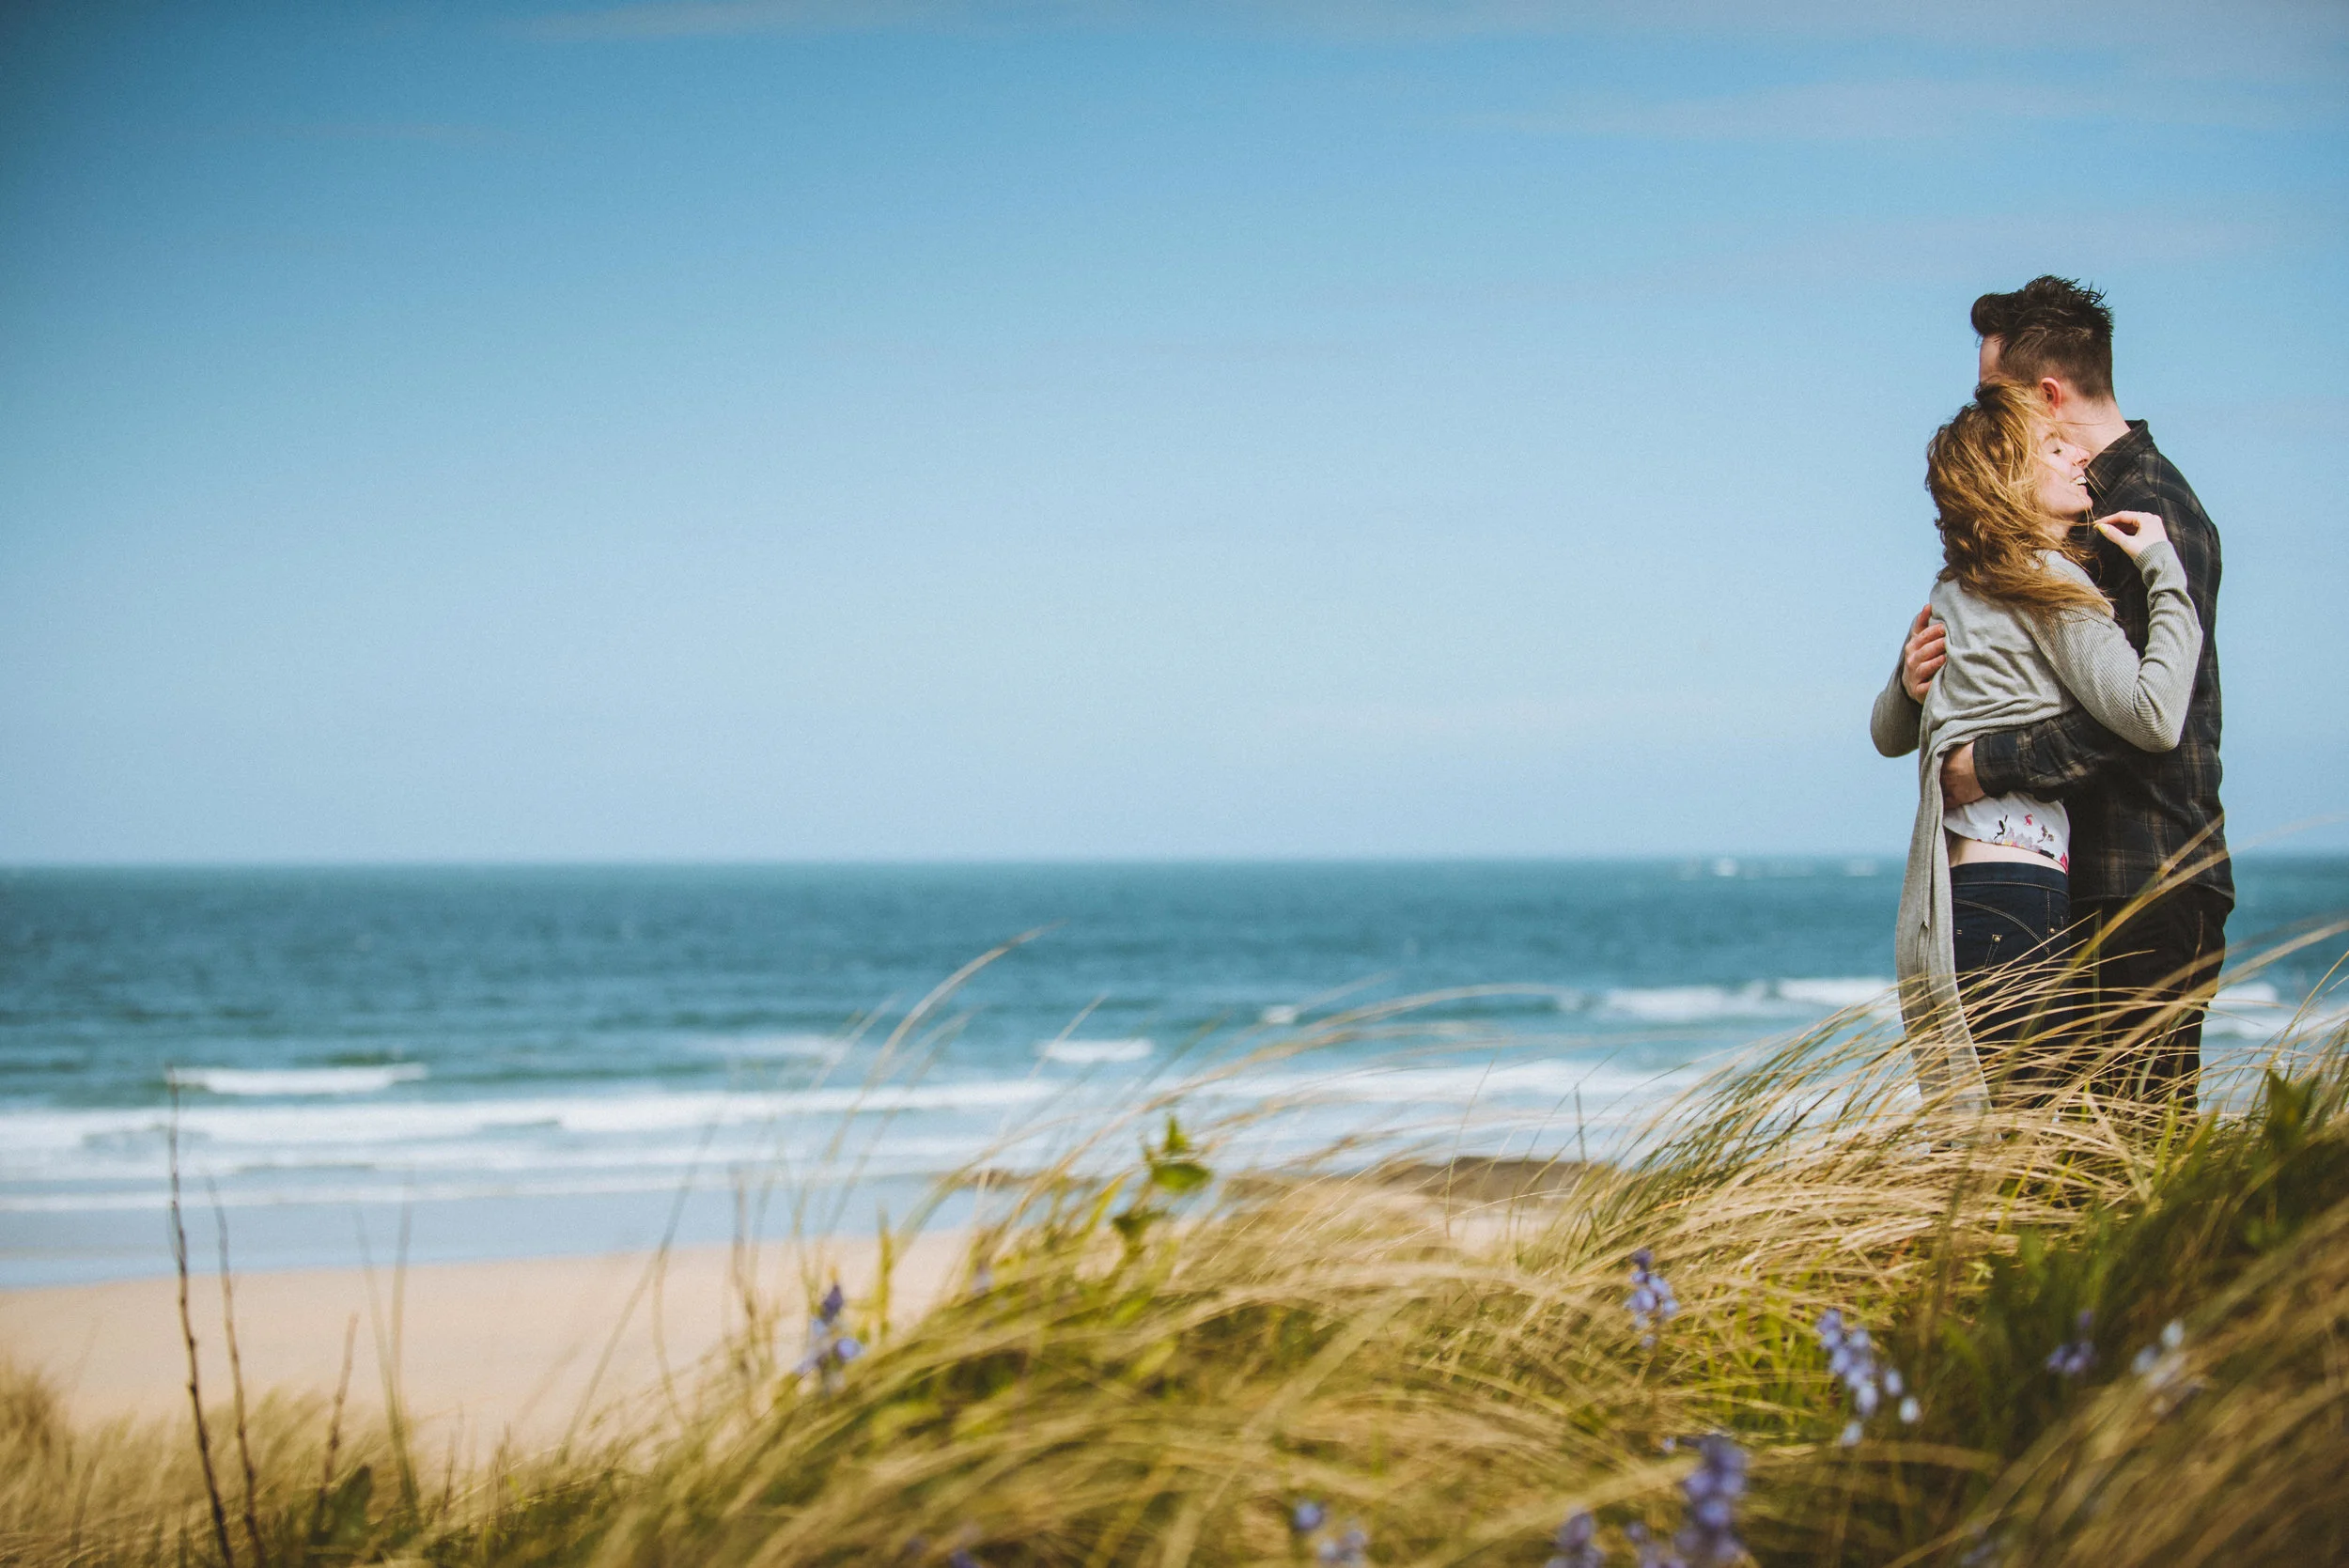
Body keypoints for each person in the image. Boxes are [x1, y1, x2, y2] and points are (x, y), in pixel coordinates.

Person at [1892, 278, 2230, 1108]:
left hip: (2143, 875)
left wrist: (1988, 764)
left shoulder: (2144, 508)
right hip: (2083, 871)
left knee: (2131, 1144)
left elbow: (2148, 714)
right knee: (2069, 1153)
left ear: (2045, 398)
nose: (1986, 424)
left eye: (1993, 399)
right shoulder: (2060, 528)